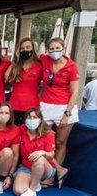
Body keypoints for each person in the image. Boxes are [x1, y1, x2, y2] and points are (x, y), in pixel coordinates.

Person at [39, 37, 80, 170]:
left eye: (58, 48)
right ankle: (48, 171)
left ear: (63, 48)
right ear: (47, 50)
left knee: (60, 143)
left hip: (64, 107)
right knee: (42, 141)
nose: (55, 51)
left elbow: (75, 92)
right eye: (52, 48)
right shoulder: (44, 59)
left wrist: (66, 114)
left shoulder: (72, 66)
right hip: (45, 105)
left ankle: (53, 174)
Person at [14, 108, 67, 196]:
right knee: (18, 190)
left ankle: (32, 189)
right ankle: (34, 180)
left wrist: (42, 152)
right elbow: (9, 128)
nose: (31, 119)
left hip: (45, 168)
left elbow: (51, 155)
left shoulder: (49, 133)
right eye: (29, 117)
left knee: (39, 158)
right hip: (26, 166)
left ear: (40, 120)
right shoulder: (21, 129)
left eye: (35, 117)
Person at [6, 37, 42, 124]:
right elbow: (7, 82)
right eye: (22, 48)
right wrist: (11, 66)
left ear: (33, 49)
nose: (25, 50)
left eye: (28, 47)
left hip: (32, 106)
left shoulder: (39, 66)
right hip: (14, 105)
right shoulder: (15, 66)